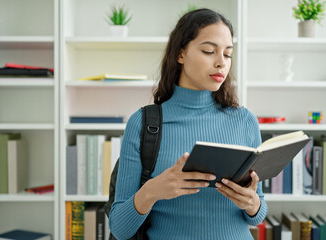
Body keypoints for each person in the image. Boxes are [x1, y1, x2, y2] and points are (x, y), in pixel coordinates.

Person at [109, 8, 268, 240]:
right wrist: (152, 191)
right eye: (209, 51)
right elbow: (120, 229)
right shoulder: (143, 123)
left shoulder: (245, 121)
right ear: (181, 53)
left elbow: (258, 213)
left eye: (227, 54)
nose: (221, 63)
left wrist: (253, 204)